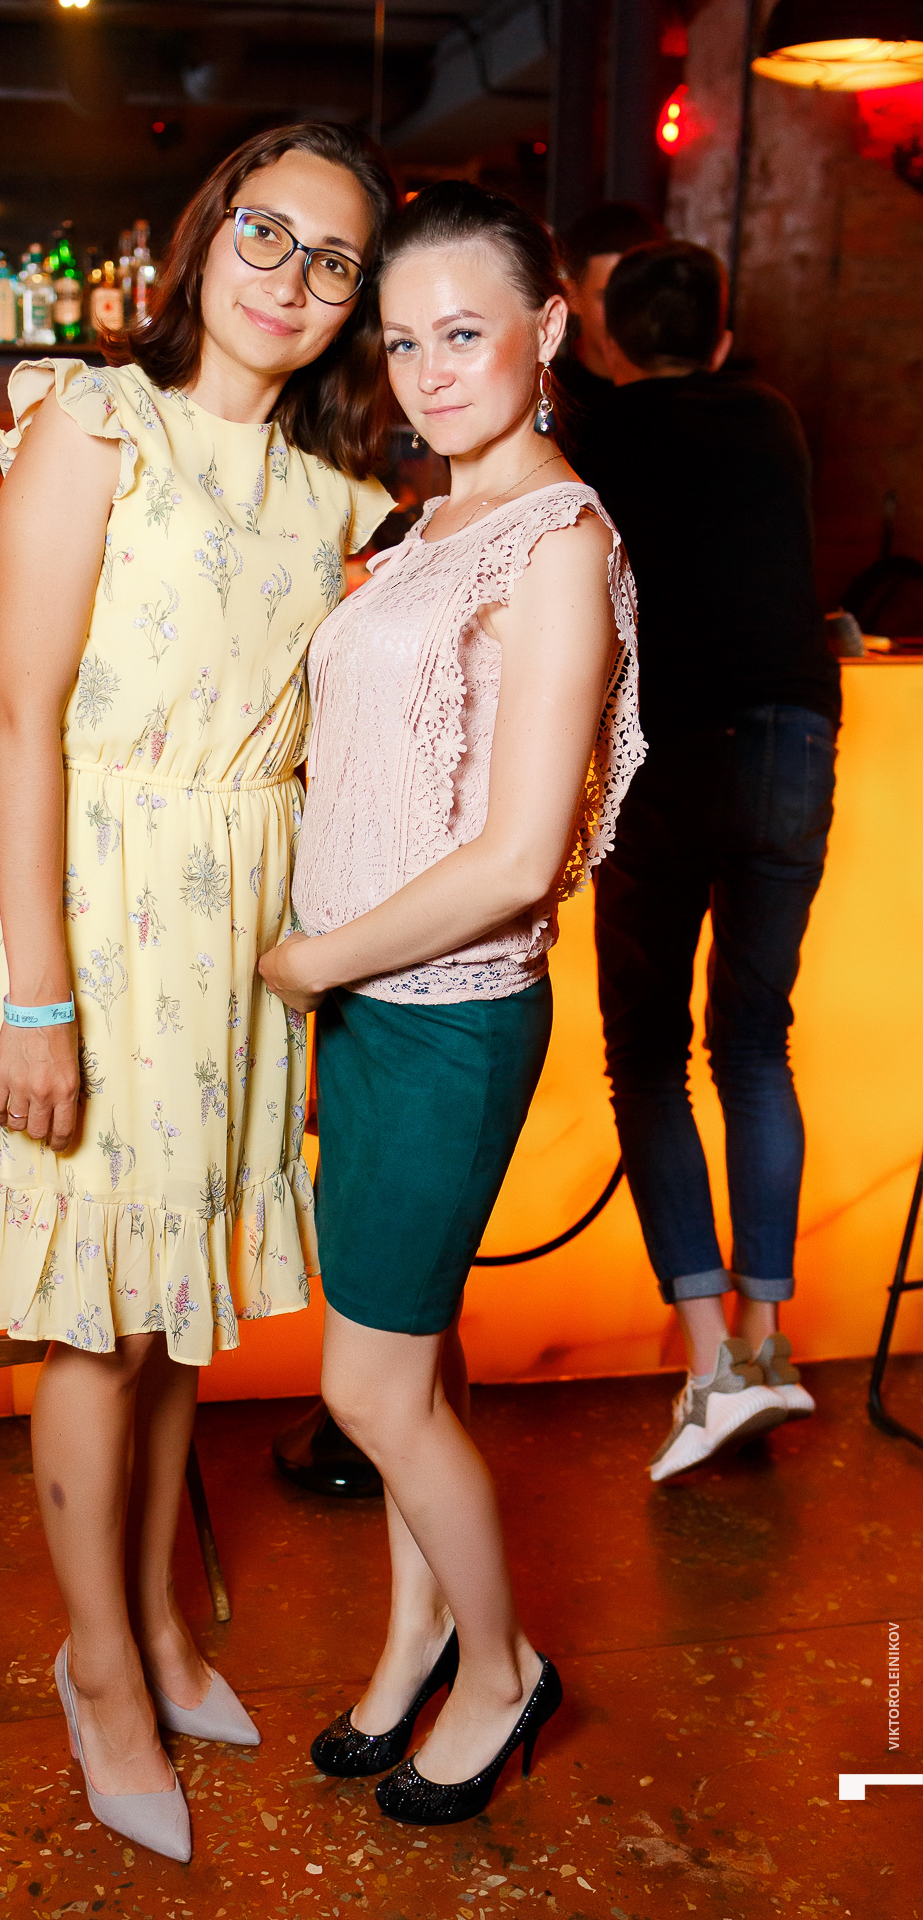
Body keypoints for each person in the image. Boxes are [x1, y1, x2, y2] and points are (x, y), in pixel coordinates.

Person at [0, 124, 395, 1861]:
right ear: (210, 235)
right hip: (101, 908)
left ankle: (152, 1625)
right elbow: (19, 718)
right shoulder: (94, 421)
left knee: (172, 1305)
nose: (292, 279)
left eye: (335, 261)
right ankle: (97, 1671)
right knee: (92, 1311)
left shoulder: (334, 489)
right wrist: (36, 994)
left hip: (239, 935)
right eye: (268, 235)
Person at [261, 182, 643, 1825]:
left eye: (463, 333)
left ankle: (501, 1669)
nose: (427, 371)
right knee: (413, 1363)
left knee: (365, 1390)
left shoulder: (560, 543)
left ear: (547, 331)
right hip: (374, 1004)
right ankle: (417, 1633)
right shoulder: (423, 526)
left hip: (443, 1014)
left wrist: (308, 963)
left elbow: (513, 857)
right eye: (403, 341)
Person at [580, 241, 841, 1483]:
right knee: (753, 1044)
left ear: (602, 338)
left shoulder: (594, 432)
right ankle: (768, 1343)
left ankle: (708, 1374)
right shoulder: (772, 418)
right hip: (792, 736)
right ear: (723, 340)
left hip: (665, 748)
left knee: (646, 1055)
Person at [554, 201, 665, 462]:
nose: (626, 312)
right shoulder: (550, 396)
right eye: (608, 297)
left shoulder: (673, 400)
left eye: (640, 296)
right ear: (573, 297)